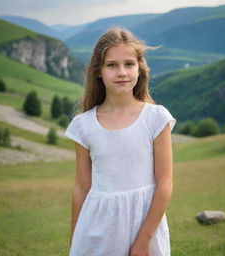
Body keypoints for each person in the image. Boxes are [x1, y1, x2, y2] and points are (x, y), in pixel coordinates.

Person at [64, 27, 177, 256]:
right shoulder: (83, 125)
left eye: (129, 64)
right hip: (97, 229)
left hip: (144, 227)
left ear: (139, 68)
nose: (122, 72)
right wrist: (76, 239)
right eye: (112, 65)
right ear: (98, 71)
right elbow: (82, 188)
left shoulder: (155, 118)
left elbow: (164, 184)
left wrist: (144, 240)